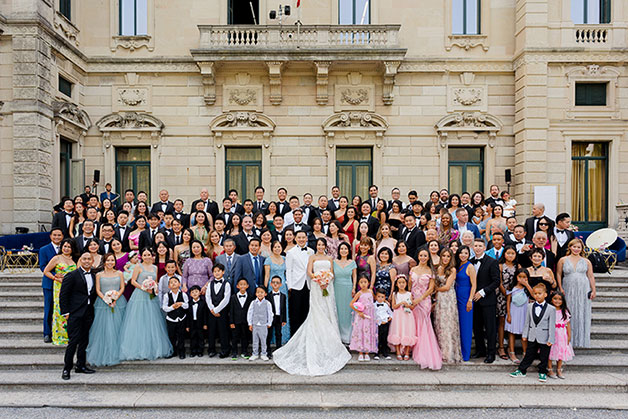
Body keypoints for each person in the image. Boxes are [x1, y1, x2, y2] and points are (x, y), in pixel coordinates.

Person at [273, 238, 352, 376]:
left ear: (325, 246)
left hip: (327, 287)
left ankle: (330, 341)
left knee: (328, 311)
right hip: (316, 286)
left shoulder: (329, 258)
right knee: (317, 311)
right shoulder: (312, 257)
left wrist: (327, 280)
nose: (321, 246)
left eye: (323, 244)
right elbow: (308, 272)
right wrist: (318, 279)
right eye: (319, 244)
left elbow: (332, 272)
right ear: (316, 246)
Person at [119, 248, 173, 361]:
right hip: (140, 295)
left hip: (151, 296)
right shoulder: (138, 266)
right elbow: (133, 281)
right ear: (141, 256)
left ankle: (153, 348)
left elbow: (156, 281)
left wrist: (155, 288)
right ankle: (138, 349)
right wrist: (143, 288)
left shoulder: (155, 267)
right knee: (139, 322)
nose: (147, 256)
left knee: (152, 321)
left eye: (149, 254)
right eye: (145, 255)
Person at [59, 251, 97, 380]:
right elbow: (63, 295)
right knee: (73, 341)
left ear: (92, 261)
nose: (87, 261)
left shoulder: (94, 275)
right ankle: (66, 368)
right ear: (80, 260)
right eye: (84, 259)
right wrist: (66, 312)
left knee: (84, 341)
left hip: (88, 312)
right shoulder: (72, 275)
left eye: (89, 259)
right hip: (74, 313)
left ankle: (80, 365)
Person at [86, 253, 127, 367]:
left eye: (112, 260)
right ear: (104, 262)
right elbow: (98, 289)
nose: (110, 262)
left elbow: (122, 287)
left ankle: (118, 350)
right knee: (103, 327)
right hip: (103, 302)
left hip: (118, 302)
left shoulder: (119, 273)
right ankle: (104, 350)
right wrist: (106, 299)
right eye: (108, 260)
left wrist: (115, 297)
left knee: (118, 326)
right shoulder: (99, 274)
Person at [509, 283, 556, 383]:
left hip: (544, 336)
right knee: (529, 354)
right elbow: (527, 322)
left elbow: (552, 325)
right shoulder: (530, 306)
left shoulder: (551, 309)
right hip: (532, 335)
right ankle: (522, 370)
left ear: (545, 295)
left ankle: (542, 372)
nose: (537, 295)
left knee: (544, 356)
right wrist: (524, 335)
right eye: (535, 293)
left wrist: (551, 338)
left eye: (540, 293)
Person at [556, 238, 596, 348]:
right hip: (568, 286)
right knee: (569, 311)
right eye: (574, 247)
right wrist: (560, 288)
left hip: (583, 287)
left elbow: (591, 276)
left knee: (581, 310)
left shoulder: (586, 261)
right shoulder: (563, 260)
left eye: (579, 247)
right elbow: (559, 274)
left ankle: (581, 339)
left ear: (582, 249)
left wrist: (593, 290)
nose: (576, 249)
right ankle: (568, 339)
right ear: (570, 247)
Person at [410, 249, 442, 370]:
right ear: (418, 256)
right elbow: (409, 285)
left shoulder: (430, 271)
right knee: (413, 323)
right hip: (413, 300)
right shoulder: (413, 270)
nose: (423, 257)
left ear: (428, 258)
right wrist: (411, 298)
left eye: (425, 256)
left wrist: (420, 299)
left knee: (423, 324)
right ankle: (411, 346)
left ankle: (423, 350)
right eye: (421, 255)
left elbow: (431, 289)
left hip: (424, 301)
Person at [43, 238, 78, 346]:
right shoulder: (56, 258)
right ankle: (59, 335)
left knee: (72, 310)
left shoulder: (75, 259)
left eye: (69, 247)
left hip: (72, 288)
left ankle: (70, 335)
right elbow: (46, 271)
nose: (67, 249)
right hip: (60, 287)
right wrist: (55, 278)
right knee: (59, 309)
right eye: (65, 246)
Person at [471, 239, 500, 364]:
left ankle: (491, 353)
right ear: (472, 247)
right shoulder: (470, 262)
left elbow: (496, 281)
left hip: (487, 300)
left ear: (484, 248)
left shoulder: (492, 261)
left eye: (480, 246)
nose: (477, 248)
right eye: (475, 246)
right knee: (476, 327)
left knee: (490, 328)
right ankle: (480, 350)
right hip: (474, 300)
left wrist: (482, 292)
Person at [434, 248, 462, 364]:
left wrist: (434, 289)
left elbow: (446, 287)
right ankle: (439, 351)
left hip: (448, 298)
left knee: (448, 325)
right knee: (439, 324)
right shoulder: (437, 268)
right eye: (443, 256)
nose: (445, 258)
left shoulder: (452, 270)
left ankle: (449, 353)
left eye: (448, 256)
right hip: (439, 299)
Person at [285, 231, 314, 335]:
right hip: (296, 285)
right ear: (295, 239)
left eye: (303, 237)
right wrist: (290, 286)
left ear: (306, 238)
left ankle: (305, 336)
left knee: (306, 312)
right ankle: (295, 336)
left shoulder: (311, 251)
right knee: (295, 312)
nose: (301, 239)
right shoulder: (291, 252)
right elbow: (289, 270)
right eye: (299, 237)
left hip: (309, 285)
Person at [39, 228, 64, 343]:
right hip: (49, 283)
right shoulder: (44, 249)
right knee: (49, 308)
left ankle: (60, 331)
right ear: (50, 236)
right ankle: (47, 333)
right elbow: (43, 267)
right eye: (55, 235)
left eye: (59, 235)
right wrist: (55, 275)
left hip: (63, 284)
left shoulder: (66, 248)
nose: (57, 237)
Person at [264, 240, 289, 343]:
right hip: (272, 286)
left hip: (283, 287)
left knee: (283, 311)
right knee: (272, 312)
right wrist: (265, 289)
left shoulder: (285, 259)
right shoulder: (268, 260)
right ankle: (272, 338)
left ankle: (284, 338)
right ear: (272, 248)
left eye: (279, 247)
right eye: (275, 247)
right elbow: (266, 275)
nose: (277, 249)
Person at [455, 245, 476, 362]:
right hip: (456, 296)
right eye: (461, 253)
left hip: (465, 298)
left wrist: (470, 300)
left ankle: (465, 354)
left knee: (465, 326)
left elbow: (474, 285)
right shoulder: (458, 265)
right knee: (457, 325)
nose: (463, 255)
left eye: (466, 253)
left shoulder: (470, 266)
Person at [387, 274, 416, 361]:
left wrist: (408, 305)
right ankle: (398, 351)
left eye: (403, 282)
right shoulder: (395, 294)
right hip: (398, 316)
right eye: (399, 283)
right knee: (398, 331)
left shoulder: (409, 294)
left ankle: (407, 352)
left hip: (407, 316)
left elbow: (412, 307)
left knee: (407, 332)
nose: (402, 284)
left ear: (406, 284)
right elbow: (393, 306)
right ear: (396, 284)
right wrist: (400, 303)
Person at [350, 275, 378, 361]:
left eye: (365, 282)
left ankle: (367, 352)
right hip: (361, 316)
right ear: (359, 284)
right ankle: (360, 352)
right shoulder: (359, 293)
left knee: (368, 332)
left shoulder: (370, 292)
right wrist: (359, 312)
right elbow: (351, 304)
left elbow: (373, 302)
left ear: (368, 283)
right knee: (361, 332)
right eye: (361, 282)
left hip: (369, 316)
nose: (363, 284)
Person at [506, 269, 531, 364]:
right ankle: (512, 352)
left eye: (524, 277)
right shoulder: (511, 288)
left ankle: (525, 353)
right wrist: (508, 314)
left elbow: (533, 295)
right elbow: (508, 302)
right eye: (520, 277)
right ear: (516, 277)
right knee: (512, 332)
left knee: (524, 333)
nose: (522, 279)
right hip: (514, 312)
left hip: (524, 313)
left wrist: (527, 285)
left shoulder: (527, 289)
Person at [206, 264, 231, 358]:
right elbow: (208, 297)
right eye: (215, 271)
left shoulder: (227, 284)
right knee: (211, 331)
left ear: (223, 272)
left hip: (222, 312)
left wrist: (217, 309)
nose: (217, 273)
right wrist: (212, 309)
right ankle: (211, 350)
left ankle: (225, 349)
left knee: (223, 331)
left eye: (219, 271)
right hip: (211, 311)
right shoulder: (210, 284)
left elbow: (226, 299)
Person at [334, 242, 357, 344]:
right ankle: (338, 336)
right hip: (336, 287)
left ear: (348, 251)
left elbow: (354, 276)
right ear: (339, 250)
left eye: (346, 249)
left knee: (347, 312)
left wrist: (354, 288)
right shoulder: (334, 262)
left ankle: (348, 336)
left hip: (348, 287)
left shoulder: (352, 262)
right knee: (337, 311)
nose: (343, 251)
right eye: (341, 249)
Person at [548, 291, 574, 379]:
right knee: (551, 352)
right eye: (555, 299)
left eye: (560, 299)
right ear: (551, 300)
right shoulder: (549, 309)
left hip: (562, 334)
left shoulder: (564, 311)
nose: (557, 301)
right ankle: (550, 369)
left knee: (561, 352)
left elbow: (568, 324)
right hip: (552, 334)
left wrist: (569, 335)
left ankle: (559, 369)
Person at [162, 276, 189, 359]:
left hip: (181, 318)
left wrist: (181, 304)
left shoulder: (183, 294)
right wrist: (172, 307)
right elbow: (164, 307)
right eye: (171, 282)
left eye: (175, 282)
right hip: (171, 319)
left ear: (179, 284)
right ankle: (173, 351)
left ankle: (182, 352)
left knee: (181, 336)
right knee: (172, 336)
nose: (173, 283)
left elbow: (187, 305)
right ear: (169, 286)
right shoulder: (167, 295)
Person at [230, 278, 254, 359]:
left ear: (247, 286)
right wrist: (231, 322)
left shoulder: (251, 297)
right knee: (235, 337)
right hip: (236, 321)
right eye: (241, 284)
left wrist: (250, 322)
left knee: (245, 337)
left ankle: (245, 351)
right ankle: (234, 352)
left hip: (246, 321)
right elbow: (231, 310)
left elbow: (251, 311)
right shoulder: (233, 297)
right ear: (237, 286)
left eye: (244, 284)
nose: (242, 286)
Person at [248, 286, 274, 361]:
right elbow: (250, 313)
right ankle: (255, 353)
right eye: (258, 292)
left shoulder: (267, 303)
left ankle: (263, 353)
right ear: (256, 294)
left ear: (265, 294)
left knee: (263, 340)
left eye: (262, 292)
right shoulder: (253, 303)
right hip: (255, 324)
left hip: (263, 324)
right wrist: (250, 323)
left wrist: (269, 322)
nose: (260, 294)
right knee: (255, 340)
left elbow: (270, 313)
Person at [266, 275, 287, 358]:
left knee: (279, 334)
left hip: (279, 317)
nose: (275, 284)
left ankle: (278, 350)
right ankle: (268, 351)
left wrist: (284, 319)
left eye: (277, 283)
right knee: (269, 334)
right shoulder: (268, 296)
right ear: (271, 284)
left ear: (280, 285)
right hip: (270, 318)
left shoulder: (283, 296)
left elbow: (284, 308)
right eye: (273, 282)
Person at [186, 285, 209, 357]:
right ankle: (193, 351)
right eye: (192, 292)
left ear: (200, 293)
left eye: (196, 292)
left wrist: (205, 324)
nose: (195, 293)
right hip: (192, 323)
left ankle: (200, 351)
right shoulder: (188, 303)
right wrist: (187, 326)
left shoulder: (203, 303)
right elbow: (187, 316)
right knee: (192, 337)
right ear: (190, 294)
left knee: (200, 337)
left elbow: (205, 314)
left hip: (200, 323)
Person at [373, 289, 393, 360]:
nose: (380, 298)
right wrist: (376, 321)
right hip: (376, 324)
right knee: (377, 338)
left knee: (384, 338)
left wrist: (387, 320)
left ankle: (385, 352)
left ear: (385, 298)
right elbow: (372, 315)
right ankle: (376, 352)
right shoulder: (373, 305)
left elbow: (391, 314)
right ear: (375, 297)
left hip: (384, 324)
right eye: (379, 296)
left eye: (382, 297)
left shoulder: (386, 305)